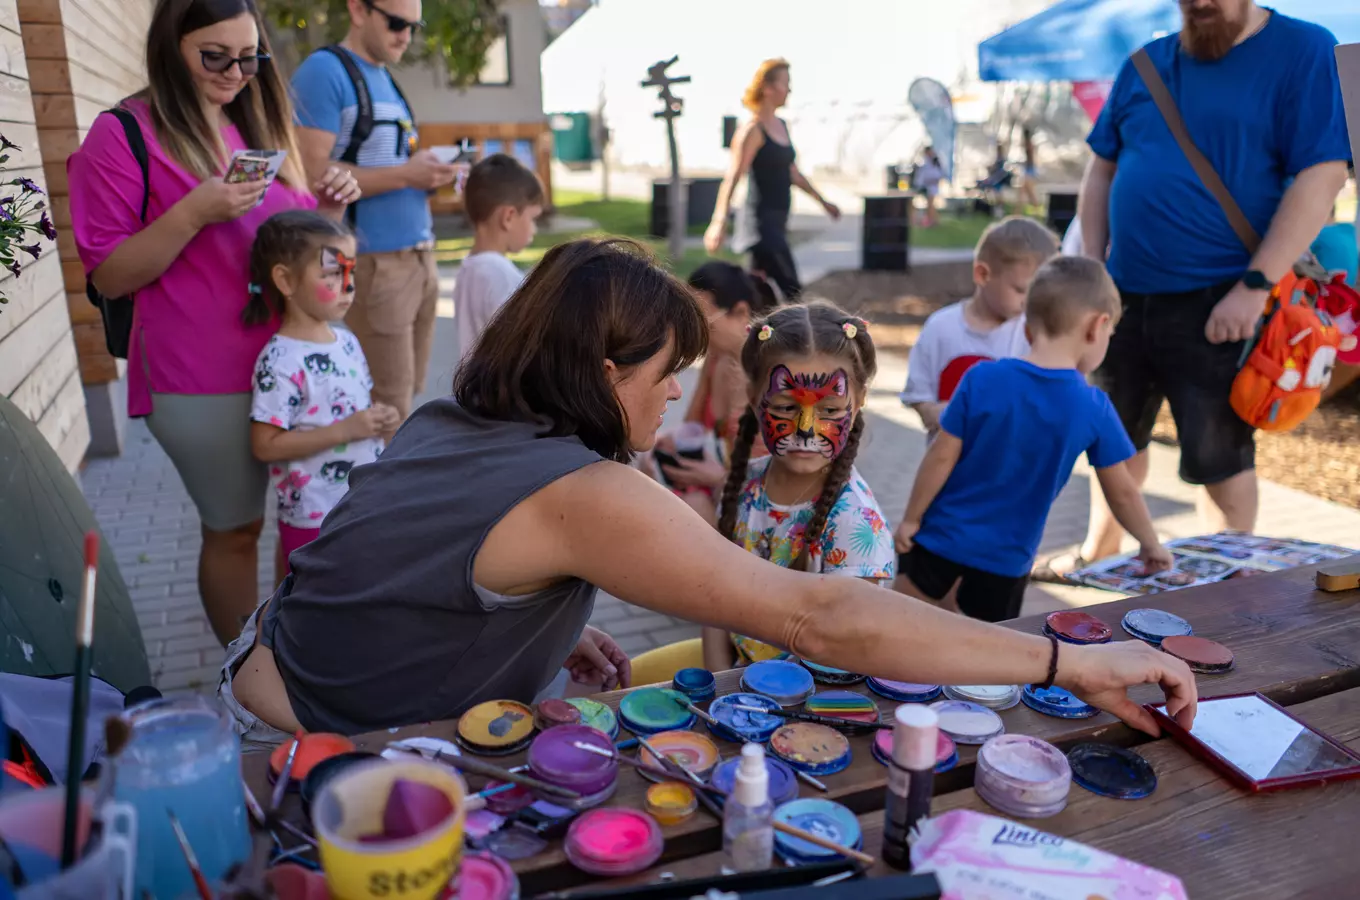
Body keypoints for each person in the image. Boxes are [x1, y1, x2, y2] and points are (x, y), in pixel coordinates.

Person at [219, 238, 1198, 746]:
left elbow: (407, 568)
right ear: (604, 373)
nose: (680, 393)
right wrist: (1062, 663)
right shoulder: (583, 487)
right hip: (303, 750)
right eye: (664, 373)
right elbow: (819, 615)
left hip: (261, 676)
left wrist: (536, 623)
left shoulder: (450, 419)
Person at [67, 0, 361, 645]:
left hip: (293, 361)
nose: (235, 71)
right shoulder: (123, 135)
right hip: (199, 374)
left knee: (310, 520)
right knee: (234, 529)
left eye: (249, 56)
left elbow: (291, 232)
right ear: (171, 48)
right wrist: (193, 212)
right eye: (215, 56)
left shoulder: (252, 118)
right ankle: (245, 674)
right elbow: (111, 274)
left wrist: (330, 204)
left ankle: (297, 656)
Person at [1037, 0, 1351, 581]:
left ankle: (1226, 583)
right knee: (1114, 442)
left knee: (1219, 458)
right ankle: (1100, 556)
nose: (1200, 5)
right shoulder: (1146, 63)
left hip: (1221, 299)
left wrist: (1255, 287)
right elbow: (1102, 169)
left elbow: (1323, 172)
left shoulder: (1302, 48)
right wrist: (1090, 276)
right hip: (1121, 299)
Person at [895, 257, 1174, 622]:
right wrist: (1151, 544)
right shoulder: (1092, 407)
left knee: (899, 624)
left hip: (937, 540)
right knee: (979, 658)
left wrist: (911, 520)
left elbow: (940, 457)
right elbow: (1122, 492)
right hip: (1005, 563)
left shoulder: (982, 378)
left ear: (1027, 327)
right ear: (1097, 326)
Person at [290, 0, 458, 440]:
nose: (407, 35)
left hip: (418, 260)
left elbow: (385, 166)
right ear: (358, 10)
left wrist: (427, 173)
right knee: (390, 405)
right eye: (398, 22)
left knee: (408, 395)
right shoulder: (325, 71)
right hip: (372, 260)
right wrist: (408, 173)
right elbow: (311, 175)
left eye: (414, 26)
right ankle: (387, 504)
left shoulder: (384, 78)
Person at [706, 302, 896, 670]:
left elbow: (844, 656)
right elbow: (715, 603)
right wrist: (719, 685)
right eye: (786, 407)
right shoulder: (743, 487)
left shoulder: (855, 527)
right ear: (753, 396)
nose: (806, 429)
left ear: (858, 403)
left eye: (828, 411)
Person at [245, 211, 398, 579]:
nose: (347, 286)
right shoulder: (280, 360)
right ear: (285, 280)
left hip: (361, 502)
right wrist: (346, 430)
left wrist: (380, 419)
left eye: (351, 272)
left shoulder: (346, 340)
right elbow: (265, 445)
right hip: (313, 514)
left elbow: (349, 409)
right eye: (332, 273)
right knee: (316, 602)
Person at [643, 262, 780, 525]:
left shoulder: (771, 377)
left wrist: (718, 478)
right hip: (716, 485)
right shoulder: (716, 358)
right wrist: (663, 441)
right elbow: (692, 427)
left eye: (700, 321)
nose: (690, 331)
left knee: (685, 508)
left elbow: (773, 480)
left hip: (753, 504)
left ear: (741, 312)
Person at [901, 217, 1058, 437]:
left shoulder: (1034, 334)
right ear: (982, 274)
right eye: (1021, 290)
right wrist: (939, 414)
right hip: (949, 467)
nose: (1029, 302)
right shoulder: (941, 328)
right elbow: (919, 396)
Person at [704, 59, 841, 300]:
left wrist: (823, 203)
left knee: (757, 295)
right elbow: (732, 178)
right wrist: (719, 221)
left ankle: (746, 333)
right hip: (760, 226)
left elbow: (793, 174)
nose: (789, 90)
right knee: (791, 289)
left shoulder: (781, 126)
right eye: (785, 83)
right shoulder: (753, 130)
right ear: (767, 88)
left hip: (778, 222)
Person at [453, 153, 546, 366]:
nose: (534, 229)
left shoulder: (470, 267)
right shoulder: (498, 272)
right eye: (532, 219)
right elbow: (521, 344)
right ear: (508, 217)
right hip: (500, 394)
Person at [913, 148, 945, 228]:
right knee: (930, 205)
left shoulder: (935, 161)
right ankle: (932, 220)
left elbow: (939, 174)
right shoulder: (925, 161)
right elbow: (922, 174)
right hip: (925, 186)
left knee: (930, 204)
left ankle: (932, 221)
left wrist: (931, 180)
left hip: (932, 186)